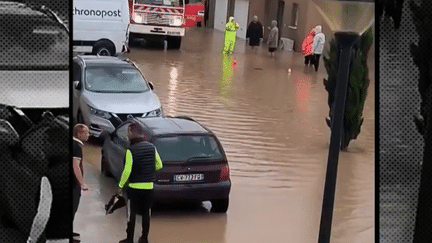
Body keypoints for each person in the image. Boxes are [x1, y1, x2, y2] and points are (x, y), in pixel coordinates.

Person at [117, 122, 163, 243]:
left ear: (133, 132)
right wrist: (148, 170)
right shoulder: (152, 147)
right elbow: (159, 165)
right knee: (146, 213)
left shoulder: (131, 150)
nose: (127, 134)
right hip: (149, 187)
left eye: (128, 131)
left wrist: (120, 186)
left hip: (134, 187)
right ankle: (144, 238)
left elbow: (127, 170)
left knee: (131, 213)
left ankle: (129, 239)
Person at [72, 124, 89, 242]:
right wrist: (82, 183)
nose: (88, 135)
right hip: (73, 184)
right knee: (73, 207)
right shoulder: (76, 146)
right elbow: (75, 166)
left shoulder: (74, 144)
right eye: (86, 133)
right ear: (79, 134)